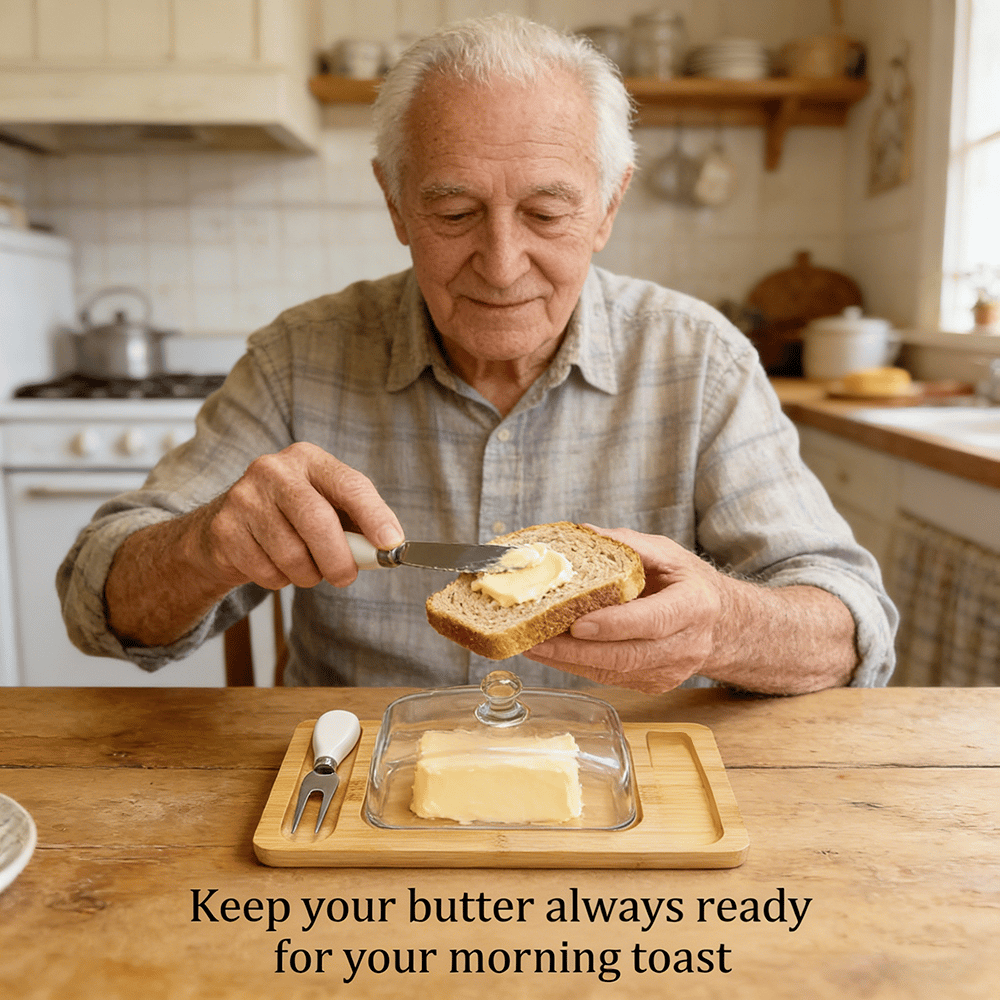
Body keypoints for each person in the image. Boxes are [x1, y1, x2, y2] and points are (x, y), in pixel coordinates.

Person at [58, 14, 897, 693]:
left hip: (632, 805)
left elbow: (852, 627)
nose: (501, 266)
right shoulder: (298, 356)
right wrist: (205, 545)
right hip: (352, 796)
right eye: (454, 213)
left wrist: (723, 621)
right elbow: (96, 601)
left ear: (608, 206)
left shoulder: (698, 357)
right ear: (394, 203)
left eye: (545, 213)